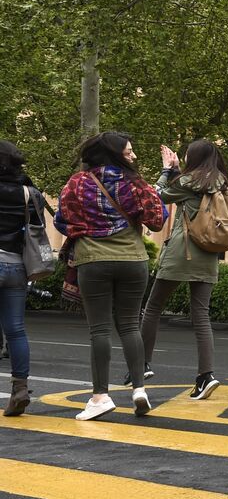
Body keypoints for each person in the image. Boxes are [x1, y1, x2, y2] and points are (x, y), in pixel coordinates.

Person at [54, 131, 166, 420]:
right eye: (129, 152)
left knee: (99, 330)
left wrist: (89, 230)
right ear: (116, 154)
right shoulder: (136, 183)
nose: (134, 156)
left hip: (93, 261)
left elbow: (61, 220)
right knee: (130, 325)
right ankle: (139, 389)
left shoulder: (76, 183)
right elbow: (156, 220)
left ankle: (100, 397)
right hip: (133, 260)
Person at [140, 140, 228, 401]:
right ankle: (205, 376)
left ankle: (143, 364)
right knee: (201, 316)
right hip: (210, 252)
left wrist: (168, 170)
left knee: (153, 307)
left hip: (183, 252)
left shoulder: (188, 181)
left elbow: (154, 197)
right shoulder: (221, 182)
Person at [0, 140, 47, 416]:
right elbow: (38, 227)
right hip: (16, 265)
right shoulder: (30, 193)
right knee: (15, 330)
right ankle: (20, 388)